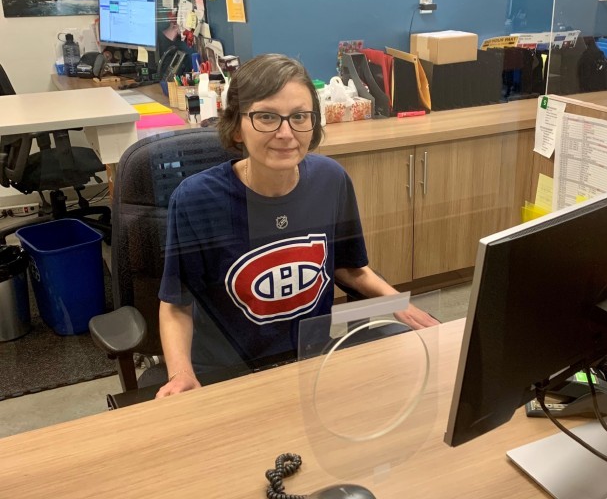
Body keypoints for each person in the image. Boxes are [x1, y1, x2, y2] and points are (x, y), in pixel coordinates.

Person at [156, 54, 437, 398]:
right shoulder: (196, 199)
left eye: (300, 117)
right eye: (266, 117)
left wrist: (398, 302)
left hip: (312, 362)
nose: (286, 133)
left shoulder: (330, 180)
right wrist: (180, 375)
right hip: (231, 374)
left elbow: (351, 269)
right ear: (236, 127)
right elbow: (176, 304)